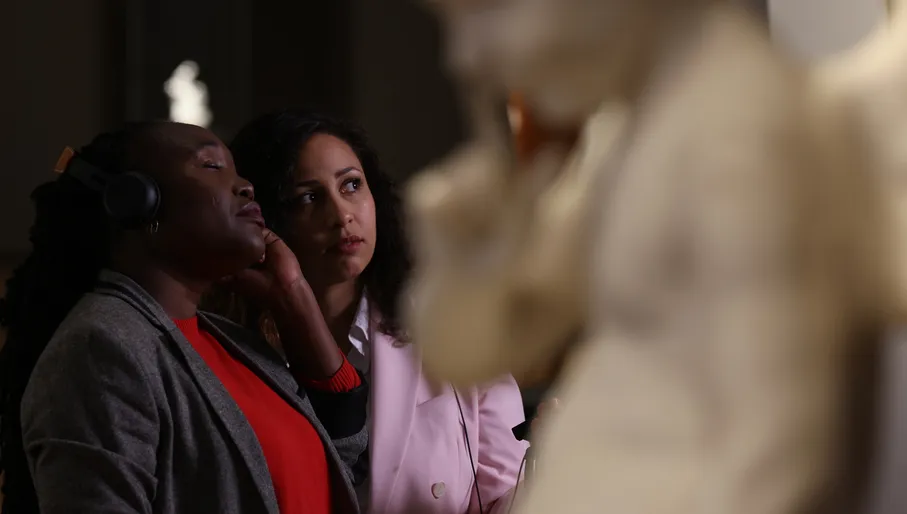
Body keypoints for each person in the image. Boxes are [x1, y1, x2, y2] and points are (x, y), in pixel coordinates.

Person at [0, 121, 368, 514]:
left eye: (235, 168)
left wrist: (295, 297)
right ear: (137, 202)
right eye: (212, 166)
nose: (245, 185)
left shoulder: (233, 344)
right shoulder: (101, 346)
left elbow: (339, 464)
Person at [219, 110, 528, 514]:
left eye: (351, 185)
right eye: (309, 198)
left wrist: (549, 469)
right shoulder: (233, 349)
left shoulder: (453, 326)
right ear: (267, 220)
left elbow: (504, 497)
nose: (341, 215)